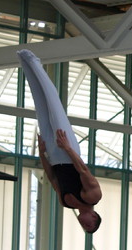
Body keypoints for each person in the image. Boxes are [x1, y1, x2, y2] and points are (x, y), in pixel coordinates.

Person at [17, 49, 102, 234]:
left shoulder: (66, 203)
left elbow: (52, 177)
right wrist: (67, 147)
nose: (83, 224)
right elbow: (83, 169)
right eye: (88, 225)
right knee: (54, 107)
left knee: (41, 108)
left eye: (84, 227)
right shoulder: (93, 196)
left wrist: (42, 153)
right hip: (67, 152)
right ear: (94, 217)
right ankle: (34, 61)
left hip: (53, 157)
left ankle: (24, 62)